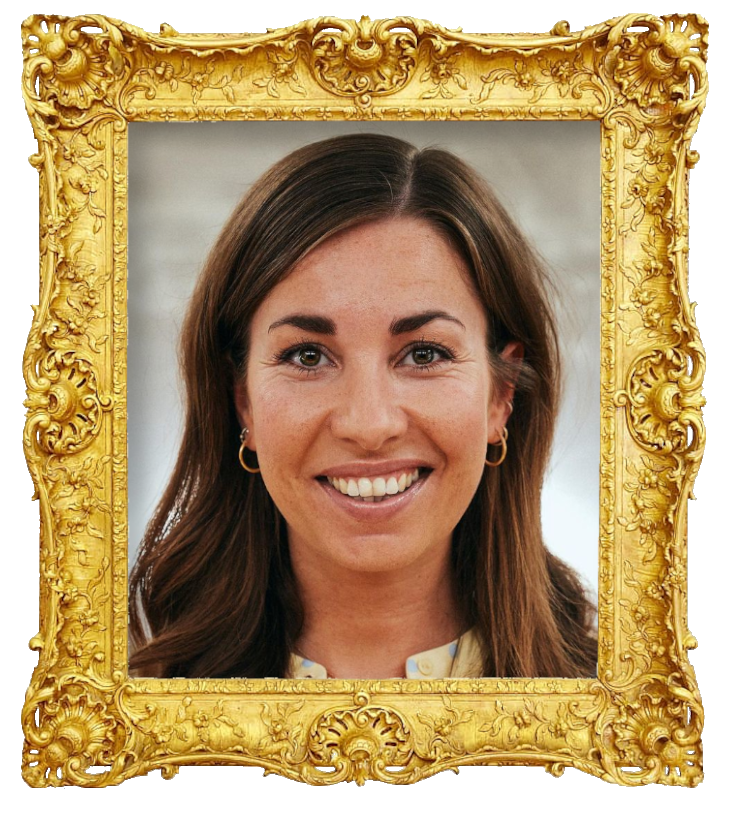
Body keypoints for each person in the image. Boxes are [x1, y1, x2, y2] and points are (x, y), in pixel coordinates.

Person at [129, 133, 597, 679]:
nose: (368, 424)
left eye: (424, 354)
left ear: (500, 395)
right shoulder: (117, 718)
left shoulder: (628, 713)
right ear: (243, 402)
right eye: (307, 356)